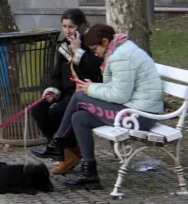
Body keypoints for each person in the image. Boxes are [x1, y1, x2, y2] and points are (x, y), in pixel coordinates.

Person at [43, 24, 164, 188]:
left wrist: (91, 89)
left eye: (95, 48)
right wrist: (93, 86)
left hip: (141, 116)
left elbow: (120, 95)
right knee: (79, 118)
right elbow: (117, 88)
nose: (94, 52)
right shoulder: (120, 50)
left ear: (105, 41)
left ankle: (57, 142)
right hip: (133, 109)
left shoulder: (121, 57)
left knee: (79, 97)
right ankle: (90, 176)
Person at [30, 8, 103, 170]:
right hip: (66, 94)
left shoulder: (91, 44)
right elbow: (56, 76)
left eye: (71, 27)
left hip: (85, 94)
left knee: (57, 112)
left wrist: (78, 52)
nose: (67, 31)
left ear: (81, 26)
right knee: (38, 109)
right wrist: (51, 91)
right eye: (64, 26)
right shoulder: (63, 47)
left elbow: (93, 73)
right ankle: (66, 151)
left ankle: (66, 152)